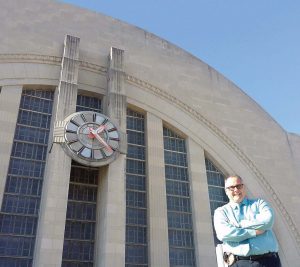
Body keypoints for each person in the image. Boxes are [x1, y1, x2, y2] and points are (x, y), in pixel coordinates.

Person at [213, 175, 281, 267]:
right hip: (240, 263)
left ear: (243, 187)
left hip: (269, 261)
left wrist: (242, 224)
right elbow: (224, 234)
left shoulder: (259, 203)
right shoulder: (221, 212)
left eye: (238, 186)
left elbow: (268, 221)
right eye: (231, 187)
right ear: (226, 191)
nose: (236, 190)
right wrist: (253, 232)